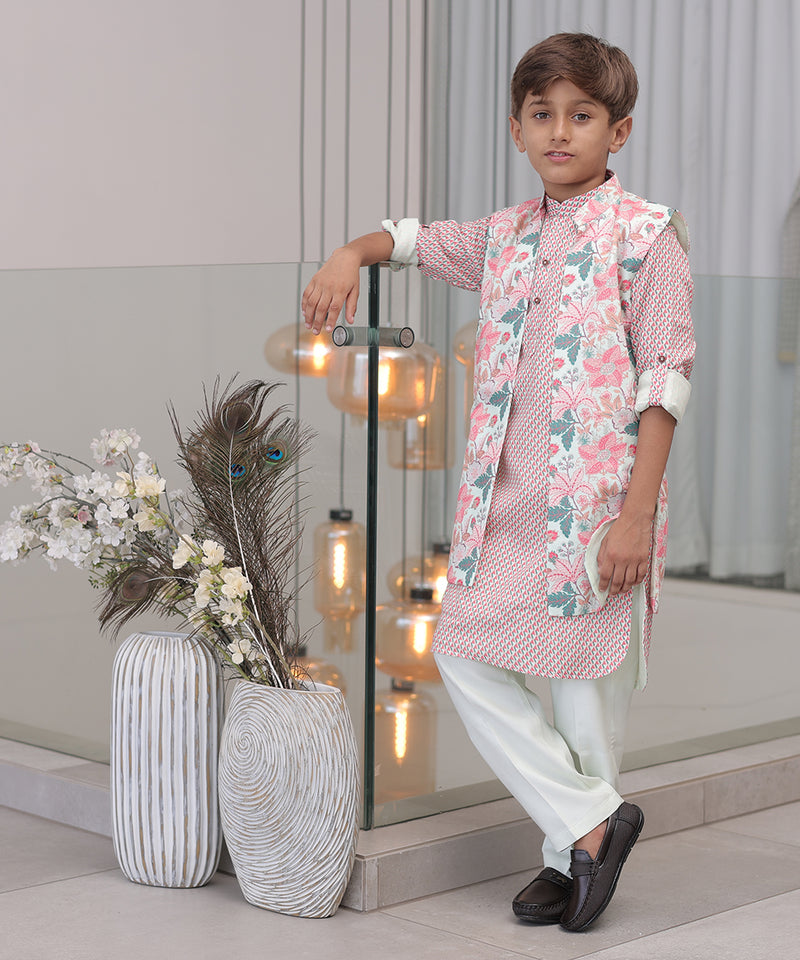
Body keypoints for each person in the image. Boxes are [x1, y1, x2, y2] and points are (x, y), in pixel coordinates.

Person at [302, 32, 695, 932]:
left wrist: (637, 516)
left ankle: (569, 859)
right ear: (518, 130)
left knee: (584, 698)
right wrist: (348, 256)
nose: (561, 132)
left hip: (599, 511)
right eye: (542, 114)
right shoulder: (505, 237)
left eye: (582, 116)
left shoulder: (647, 237)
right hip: (502, 507)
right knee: (462, 649)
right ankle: (590, 823)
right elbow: (409, 239)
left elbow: (665, 378)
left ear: (618, 131)